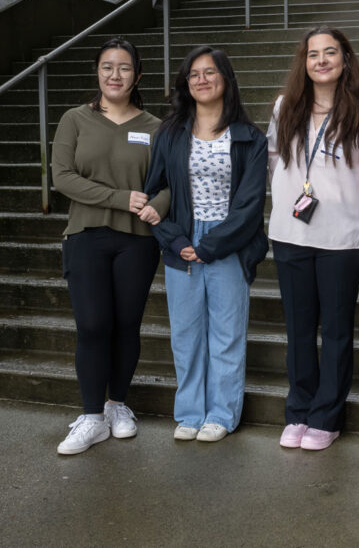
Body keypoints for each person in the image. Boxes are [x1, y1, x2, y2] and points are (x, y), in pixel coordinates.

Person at [267, 26, 359, 451]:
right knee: (299, 330)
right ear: (304, 62)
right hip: (290, 235)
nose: (321, 60)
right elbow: (274, 165)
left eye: (330, 53)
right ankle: (298, 411)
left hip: (341, 239)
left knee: (336, 331)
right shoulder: (286, 107)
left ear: (345, 60)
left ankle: (326, 416)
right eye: (313, 54)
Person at [143, 46, 268, 443]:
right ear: (186, 84)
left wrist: (211, 244)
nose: (202, 79)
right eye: (194, 74)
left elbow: (250, 205)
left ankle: (221, 414)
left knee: (227, 332)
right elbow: (155, 192)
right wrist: (175, 239)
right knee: (185, 332)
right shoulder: (170, 134)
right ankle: (190, 412)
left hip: (228, 241)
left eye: (210, 72)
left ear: (226, 80)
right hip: (182, 238)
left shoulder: (249, 138)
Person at [51, 37, 169, 455]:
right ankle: (91, 416)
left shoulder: (156, 127)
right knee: (93, 325)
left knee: (126, 326)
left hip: (137, 242)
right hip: (86, 236)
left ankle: (117, 404)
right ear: (97, 73)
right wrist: (120, 198)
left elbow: (170, 185)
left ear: (137, 75)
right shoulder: (75, 119)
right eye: (106, 67)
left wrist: (157, 206)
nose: (114, 75)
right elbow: (62, 177)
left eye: (123, 68)